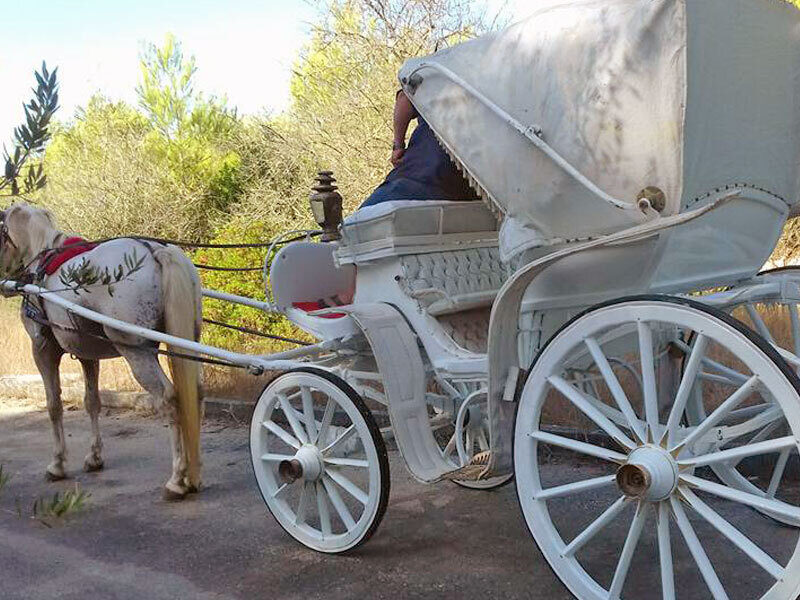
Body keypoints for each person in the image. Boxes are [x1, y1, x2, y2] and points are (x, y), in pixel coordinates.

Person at [360, 90, 479, 208]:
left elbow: (405, 98)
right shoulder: (492, 87)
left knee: (355, 224)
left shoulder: (442, 78)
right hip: (469, 197)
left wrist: (398, 146)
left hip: (417, 177)